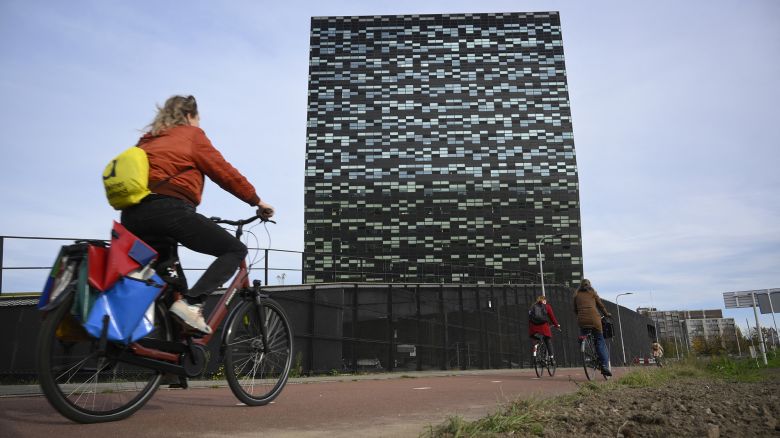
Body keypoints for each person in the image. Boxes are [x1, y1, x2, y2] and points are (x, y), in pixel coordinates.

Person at [121, 95, 274, 335]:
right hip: (168, 211)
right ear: (190, 116)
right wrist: (257, 201)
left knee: (173, 288)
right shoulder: (191, 135)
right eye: (198, 118)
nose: (200, 123)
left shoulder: (147, 141)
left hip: (132, 217)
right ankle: (193, 304)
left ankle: (171, 366)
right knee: (234, 250)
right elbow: (224, 172)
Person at [573, 279, 612, 376]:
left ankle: (587, 354)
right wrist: (607, 314)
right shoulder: (593, 294)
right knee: (600, 340)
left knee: (583, 336)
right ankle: (604, 366)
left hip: (582, 321)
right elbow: (601, 306)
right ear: (590, 285)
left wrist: (581, 315)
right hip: (594, 320)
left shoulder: (576, 295)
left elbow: (575, 309)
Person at [528, 296, 561, 363]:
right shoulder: (547, 306)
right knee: (548, 341)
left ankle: (535, 353)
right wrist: (557, 325)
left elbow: (529, 318)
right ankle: (552, 359)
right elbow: (552, 317)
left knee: (536, 340)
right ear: (544, 301)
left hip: (533, 328)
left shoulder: (532, 307)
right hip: (543, 328)